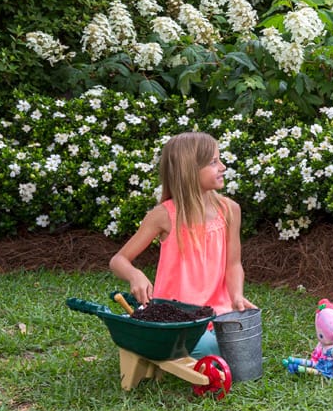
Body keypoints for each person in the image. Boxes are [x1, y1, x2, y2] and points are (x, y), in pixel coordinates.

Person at [109, 131, 256, 358]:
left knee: (245, 336)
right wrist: (135, 275)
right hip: (176, 319)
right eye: (214, 162)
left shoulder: (230, 210)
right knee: (210, 347)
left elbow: (233, 265)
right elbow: (118, 260)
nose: (223, 167)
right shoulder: (164, 215)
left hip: (218, 311)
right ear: (190, 170)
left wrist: (236, 295)